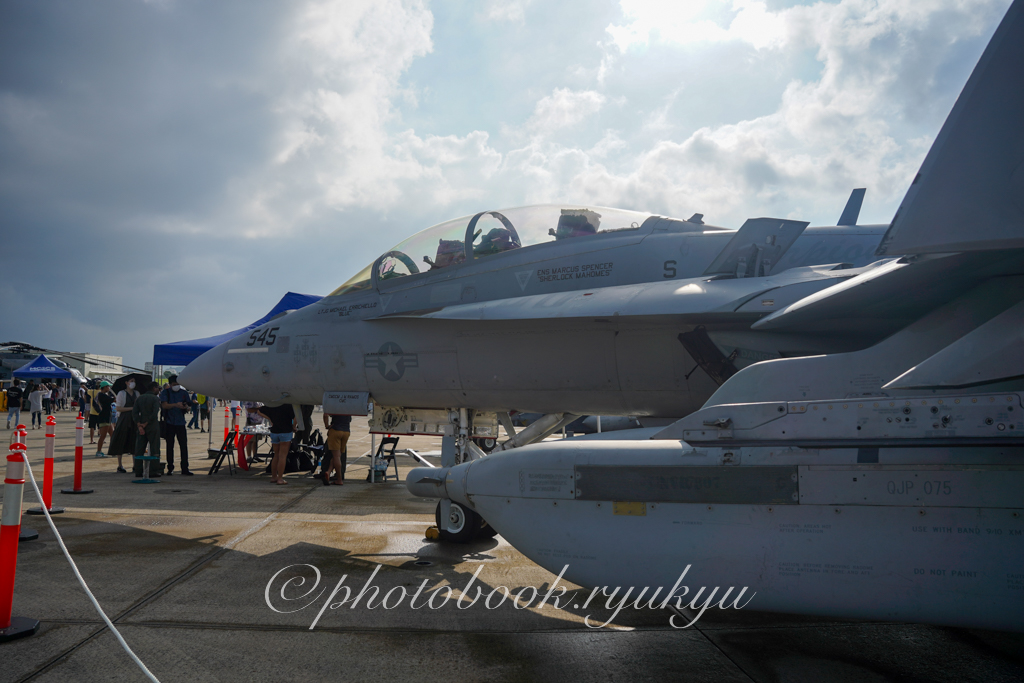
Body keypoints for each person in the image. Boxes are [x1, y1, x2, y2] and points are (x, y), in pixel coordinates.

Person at [159, 375, 193, 475]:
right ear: (170, 384)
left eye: (178, 384)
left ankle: (185, 468)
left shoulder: (184, 393)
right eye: (174, 384)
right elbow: (164, 405)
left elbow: (189, 405)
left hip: (181, 422)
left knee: (183, 446)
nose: (176, 386)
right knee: (170, 446)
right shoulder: (165, 392)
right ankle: (170, 468)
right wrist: (175, 405)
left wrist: (186, 407)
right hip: (169, 422)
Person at [108, 379, 140, 473]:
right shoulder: (121, 393)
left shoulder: (137, 393)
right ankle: (120, 465)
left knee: (134, 441)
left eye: (134, 381)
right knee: (121, 440)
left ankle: (135, 465)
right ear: (126, 382)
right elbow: (118, 408)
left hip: (134, 419)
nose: (133, 382)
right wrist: (132, 408)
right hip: (124, 419)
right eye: (131, 381)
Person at [257, 403, 294, 485]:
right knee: (282, 456)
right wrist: (294, 426)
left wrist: (270, 419)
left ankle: (274, 476)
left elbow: (259, 411)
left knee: (276, 455)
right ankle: (280, 478)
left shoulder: (271, 405)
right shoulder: (288, 405)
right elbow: (295, 417)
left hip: (274, 431)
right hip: (285, 431)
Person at [133, 381, 162, 467]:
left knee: (139, 449)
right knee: (155, 449)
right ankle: (154, 469)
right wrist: (146, 423)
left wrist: (139, 424)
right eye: (158, 388)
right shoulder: (155, 399)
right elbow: (154, 412)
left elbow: (134, 413)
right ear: (154, 388)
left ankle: (138, 469)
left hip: (141, 425)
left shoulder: (139, 398)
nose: (159, 390)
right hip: (152, 426)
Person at [322, 412, 351, 486]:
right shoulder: (349, 407)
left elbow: (325, 415)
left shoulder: (335, 406)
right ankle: (328, 472)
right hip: (346, 431)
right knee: (337, 456)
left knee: (336, 456)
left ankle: (339, 479)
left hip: (336, 430)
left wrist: (327, 426)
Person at [94, 381, 116, 456]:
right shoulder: (101, 395)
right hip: (104, 418)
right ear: (104, 387)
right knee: (103, 436)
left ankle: (112, 450)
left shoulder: (105, 395)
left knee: (113, 435)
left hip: (108, 418)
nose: (109, 388)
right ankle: (98, 451)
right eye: (108, 386)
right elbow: (112, 399)